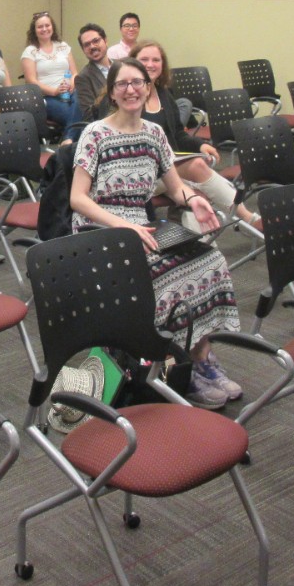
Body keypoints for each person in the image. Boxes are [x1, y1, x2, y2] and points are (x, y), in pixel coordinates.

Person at [70, 58, 244, 409]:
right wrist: (123, 225)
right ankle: (181, 365)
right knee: (165, 275)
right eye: (122, 84)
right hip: (100, 230)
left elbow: (176, 187)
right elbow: (77, 199)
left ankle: (201, 358)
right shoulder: (96, 134)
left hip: (140, 225)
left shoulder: (154, 134)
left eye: (138, 83)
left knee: (209, 260)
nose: (131, 90)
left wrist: (194, 201)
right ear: (113, 93)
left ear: (148, 88)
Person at [129, 41, 257, 230]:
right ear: (132, 63)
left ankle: (202, 247)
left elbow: (179, 134)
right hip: (140, 172)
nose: (150, 64)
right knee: (197, 165)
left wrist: (198, 146)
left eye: (156, 60)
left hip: (168, 169)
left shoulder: (163, 94)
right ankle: (248, 217)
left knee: (198, 196)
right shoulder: (128, 95)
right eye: (144, 59)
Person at [21, 11, 81, 138]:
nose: (44, 29)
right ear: (34, 30)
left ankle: (68, 142)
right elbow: (31, 81)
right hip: (47, 98)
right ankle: (69, 142)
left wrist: (72, 85)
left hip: (71, 92)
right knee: (71, 115)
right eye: (40, 26)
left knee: (84, 107)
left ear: (52, 27)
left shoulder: (63, 46)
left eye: (47, 25)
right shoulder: (30, 51)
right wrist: (54, 91)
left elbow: (75, 73)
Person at [73, 22, 112, 120]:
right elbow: (89, 115)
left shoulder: (122, 67)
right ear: (83, 50)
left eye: (96, 41)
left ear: (106, 41)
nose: (92, 46)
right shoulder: (83, 78)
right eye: (87, 45)